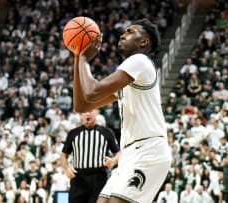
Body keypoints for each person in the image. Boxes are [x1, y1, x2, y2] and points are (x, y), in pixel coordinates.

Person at [73, 18, 172, 203]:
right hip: (129, 154)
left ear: (144, 42)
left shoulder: (140, 61)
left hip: (149, 150)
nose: (123, 34)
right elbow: (82, 105)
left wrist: (85, 59)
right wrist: (78, 57)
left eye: (130, 31)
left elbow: (92, 90)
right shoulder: (129, 76)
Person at [60, 110, 120, 203]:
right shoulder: (73, 133)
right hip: (78, 178)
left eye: (91, 111)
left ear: (96, 113)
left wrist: (114, 160)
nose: (88, 113)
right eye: (85, 111)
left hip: (99, 178)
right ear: (81, 114)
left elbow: (118, 153)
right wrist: (66, 168)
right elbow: (63, 155)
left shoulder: (106, 132)